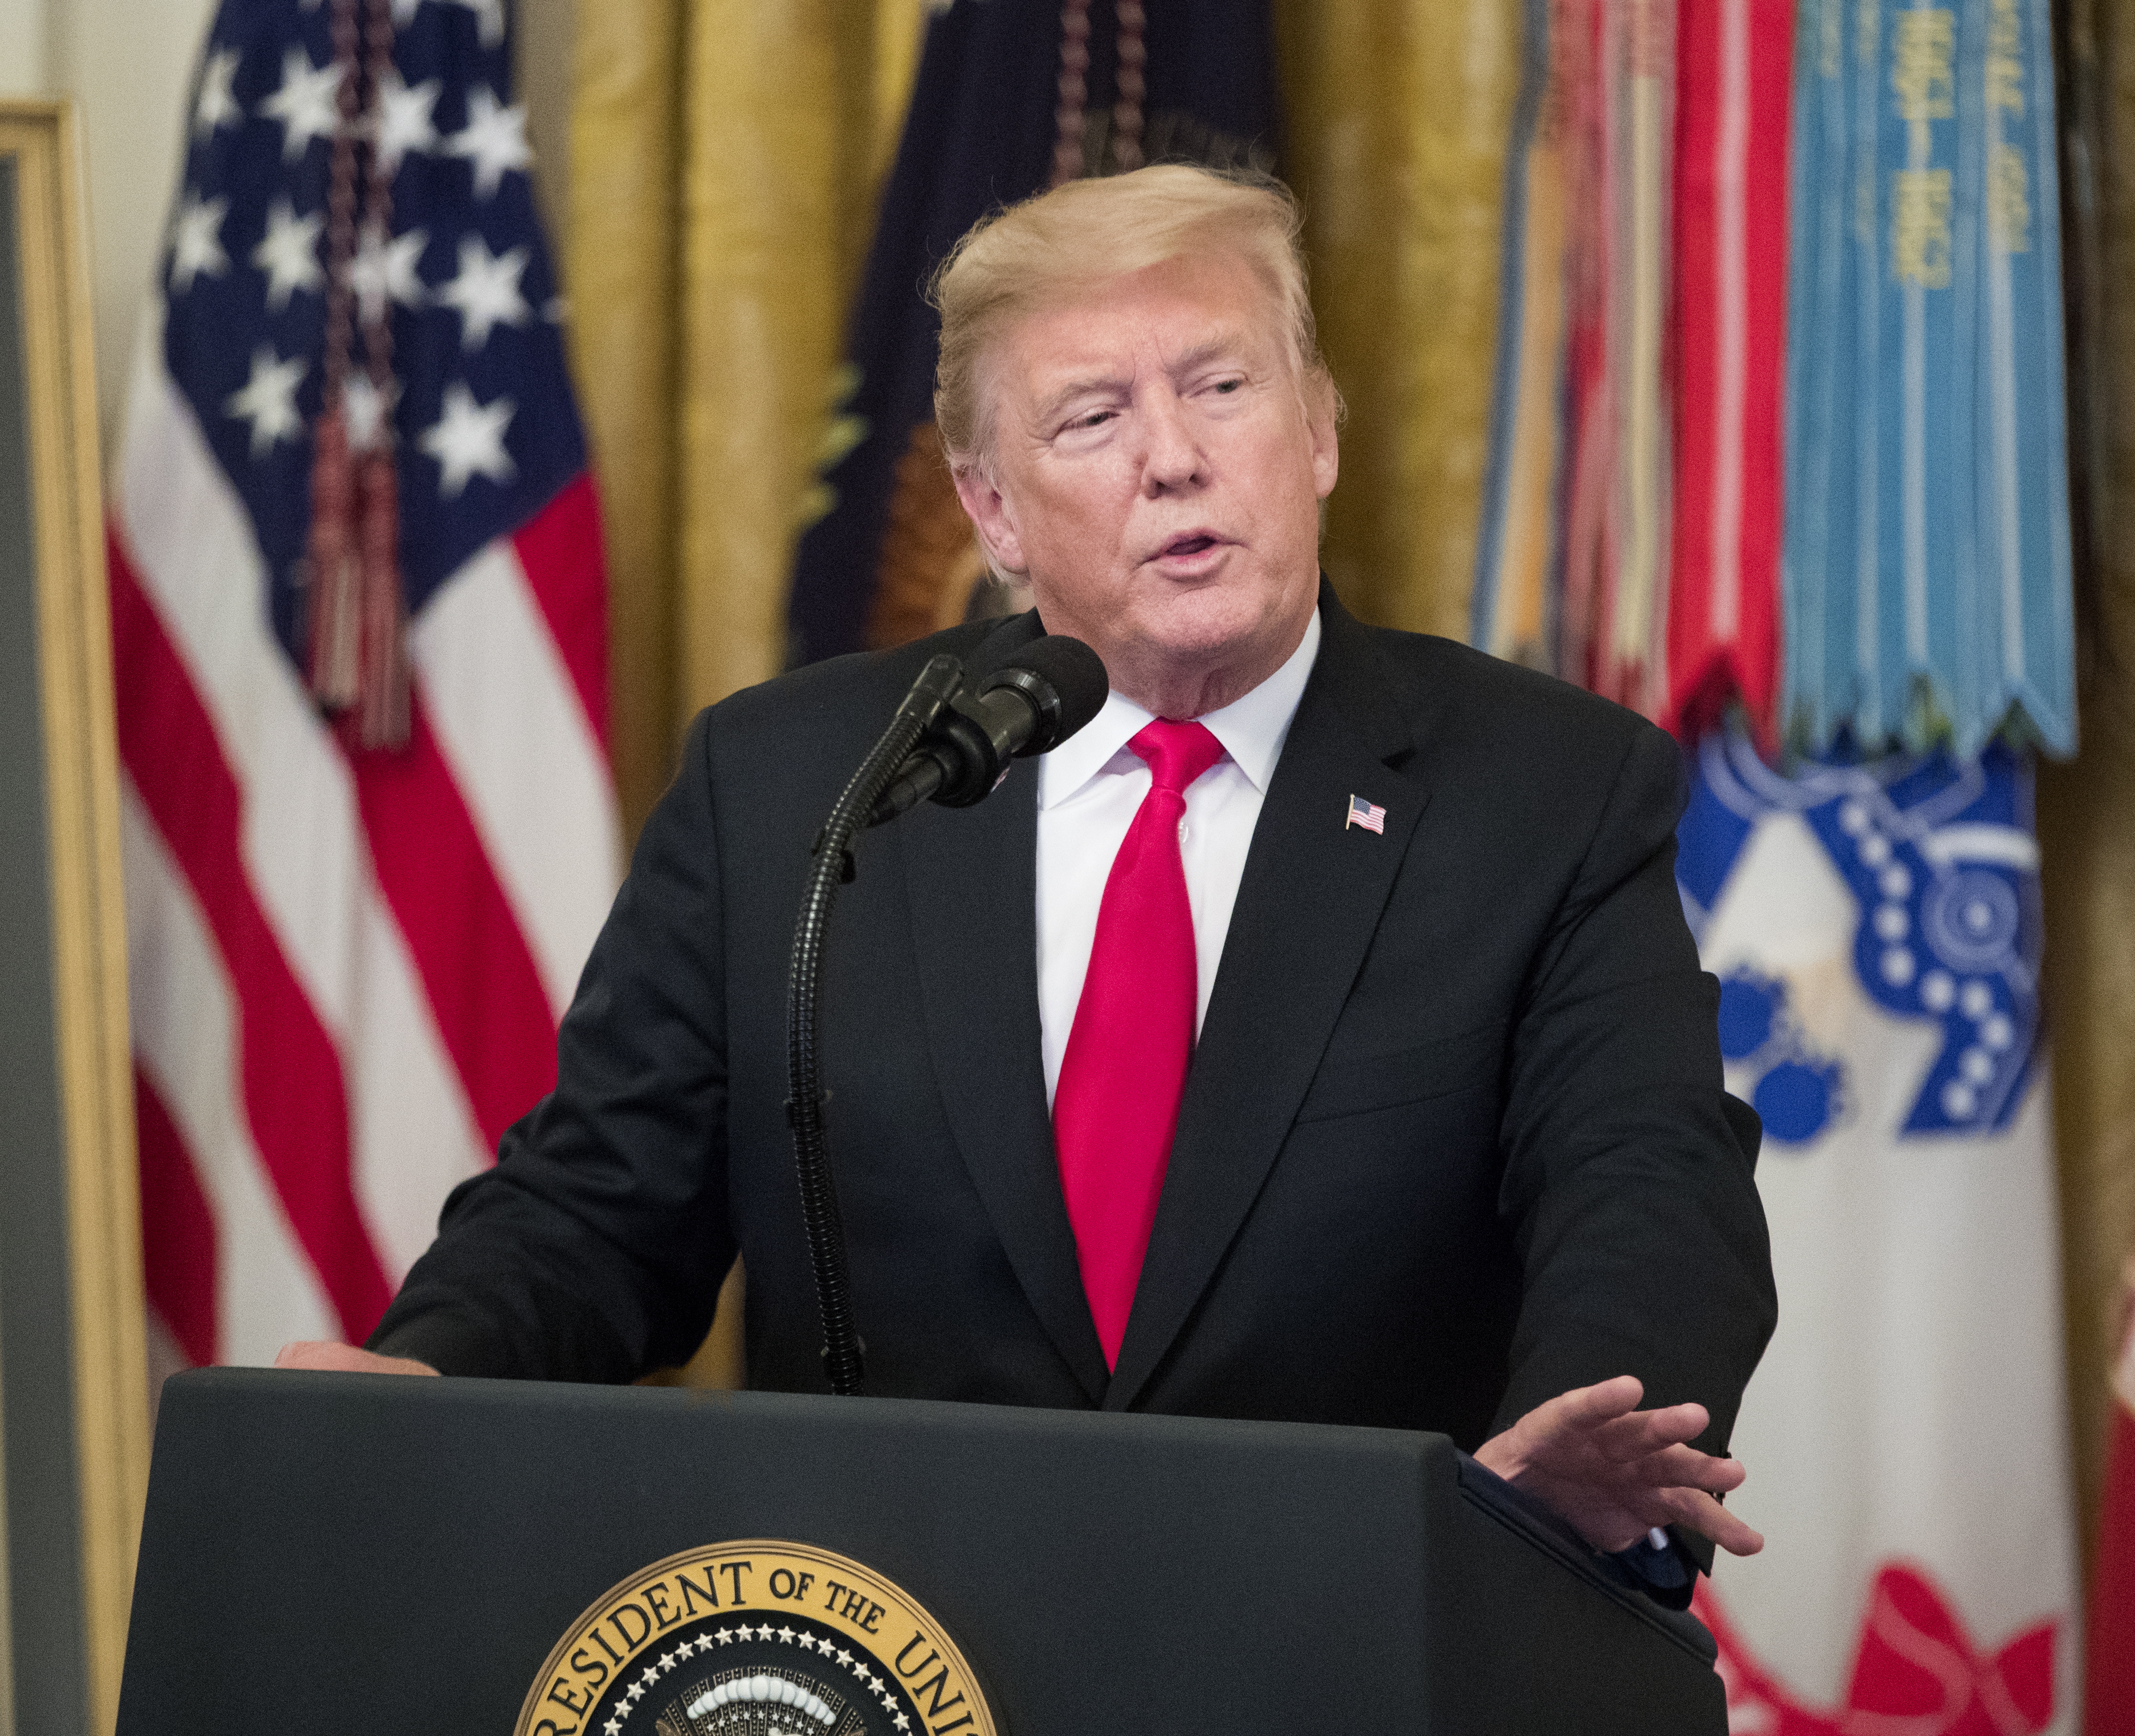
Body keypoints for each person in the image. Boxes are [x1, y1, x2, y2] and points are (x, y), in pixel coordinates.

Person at [281, 165, 1775, 1602]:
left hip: (1358, 1629)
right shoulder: (798, 786)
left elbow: (1645, 1179)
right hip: (906, 1648)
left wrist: (1577, 1443)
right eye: (1093, 416)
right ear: (991, 510)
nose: (1173, 456)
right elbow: (601, 1206)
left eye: (1221, 386)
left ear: (1317, 431)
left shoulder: (1546, 792)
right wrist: (429, 1374)